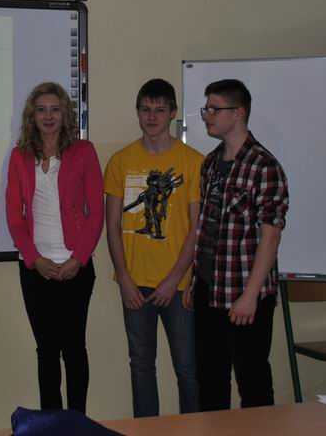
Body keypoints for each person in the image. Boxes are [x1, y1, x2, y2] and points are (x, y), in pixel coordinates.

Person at [186, 78, 289, 410]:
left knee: (253, 382)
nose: (207, 115)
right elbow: (207, 227)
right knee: (210, 382)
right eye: (206, 108)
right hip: (209, 290)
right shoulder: (210, 163)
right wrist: (195, 281)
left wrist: (250, 296)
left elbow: (270, 236)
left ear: (239, 113)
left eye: (214, 109)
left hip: (244, 294)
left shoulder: (264, 166)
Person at [105, 79, 203, 417]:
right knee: (141, 366)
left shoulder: (194, 162)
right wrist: (123, 277)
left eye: (160, 110)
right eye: (145, 109)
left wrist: (174, 279)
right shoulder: (120, 161)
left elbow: (197, 228)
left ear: (173, 113)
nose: (152, 117)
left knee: (187, 367)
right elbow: (112, 226)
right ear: (137, 112)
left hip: (178, 286)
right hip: (135, 284)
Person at [5, 82, 105, 414]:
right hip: (36, 271)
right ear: (32, 115)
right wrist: (34, 259)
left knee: (74, 349)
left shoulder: (84, 151)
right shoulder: (20, 156)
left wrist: (79, 258)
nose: (48, 117)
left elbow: (96, 212)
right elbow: (14, 217)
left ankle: (76, 422)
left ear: (65, 114)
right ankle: (51, 423)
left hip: (76, 268)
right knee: (46, 351)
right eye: (41, 110)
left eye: (55, 110)